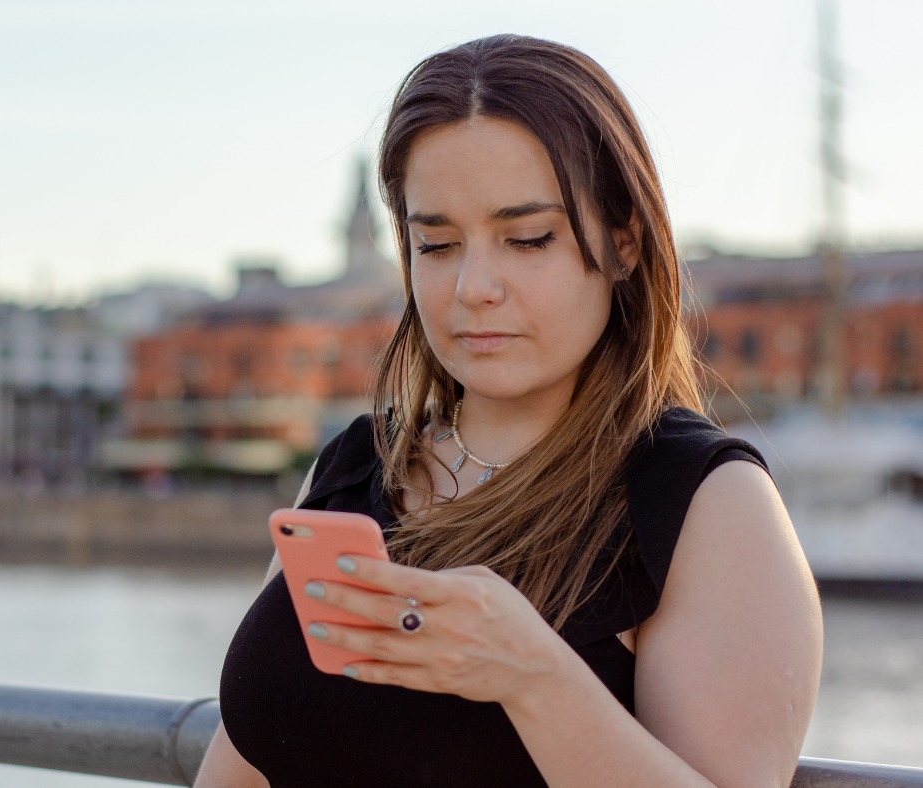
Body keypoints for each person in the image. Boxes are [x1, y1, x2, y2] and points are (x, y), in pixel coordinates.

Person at [194, 34, 822, 787]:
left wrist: (532, 677)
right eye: (437, 244)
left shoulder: (702, 502)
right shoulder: (357, 465)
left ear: (624, 244)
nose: (474, 287)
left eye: (527, 239)